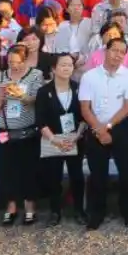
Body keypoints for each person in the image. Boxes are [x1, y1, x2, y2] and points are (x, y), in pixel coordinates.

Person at [77, 35, 128, 229]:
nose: (118, 55)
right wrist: (98, 129)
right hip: (95, 127)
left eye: (122, 52)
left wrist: (108, 127)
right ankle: (96, 214)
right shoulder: (89, 76)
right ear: (105, 50)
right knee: (97, 174)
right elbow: (85, 107)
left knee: (127, 172)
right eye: (114, 50)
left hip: (120, 127)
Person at [0, 43, 44, 225]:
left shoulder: (35, 75)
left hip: (27, 129)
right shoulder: (0, 77)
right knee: (6, 169)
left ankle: (29, 206)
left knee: (28, 168)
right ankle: (10, 206)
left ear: (25, 60)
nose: (14, 66)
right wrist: (1, 96)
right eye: (11, 61)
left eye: (18, 62)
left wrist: (21, 96)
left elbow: (37, 100)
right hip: (6, 129)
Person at [35, 52, 84, 225]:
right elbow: (40, 120)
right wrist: (54, 139)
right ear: (54, 68)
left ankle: (79, 210)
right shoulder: (43, 91)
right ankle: (55, 211)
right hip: (52, 138)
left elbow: (84, 115)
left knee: (77, 176)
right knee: (53, 177)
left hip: (74, 138)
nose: (66, 68)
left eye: (70, 65)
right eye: (62, 65)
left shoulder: (78, 88)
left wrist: (77, 136)